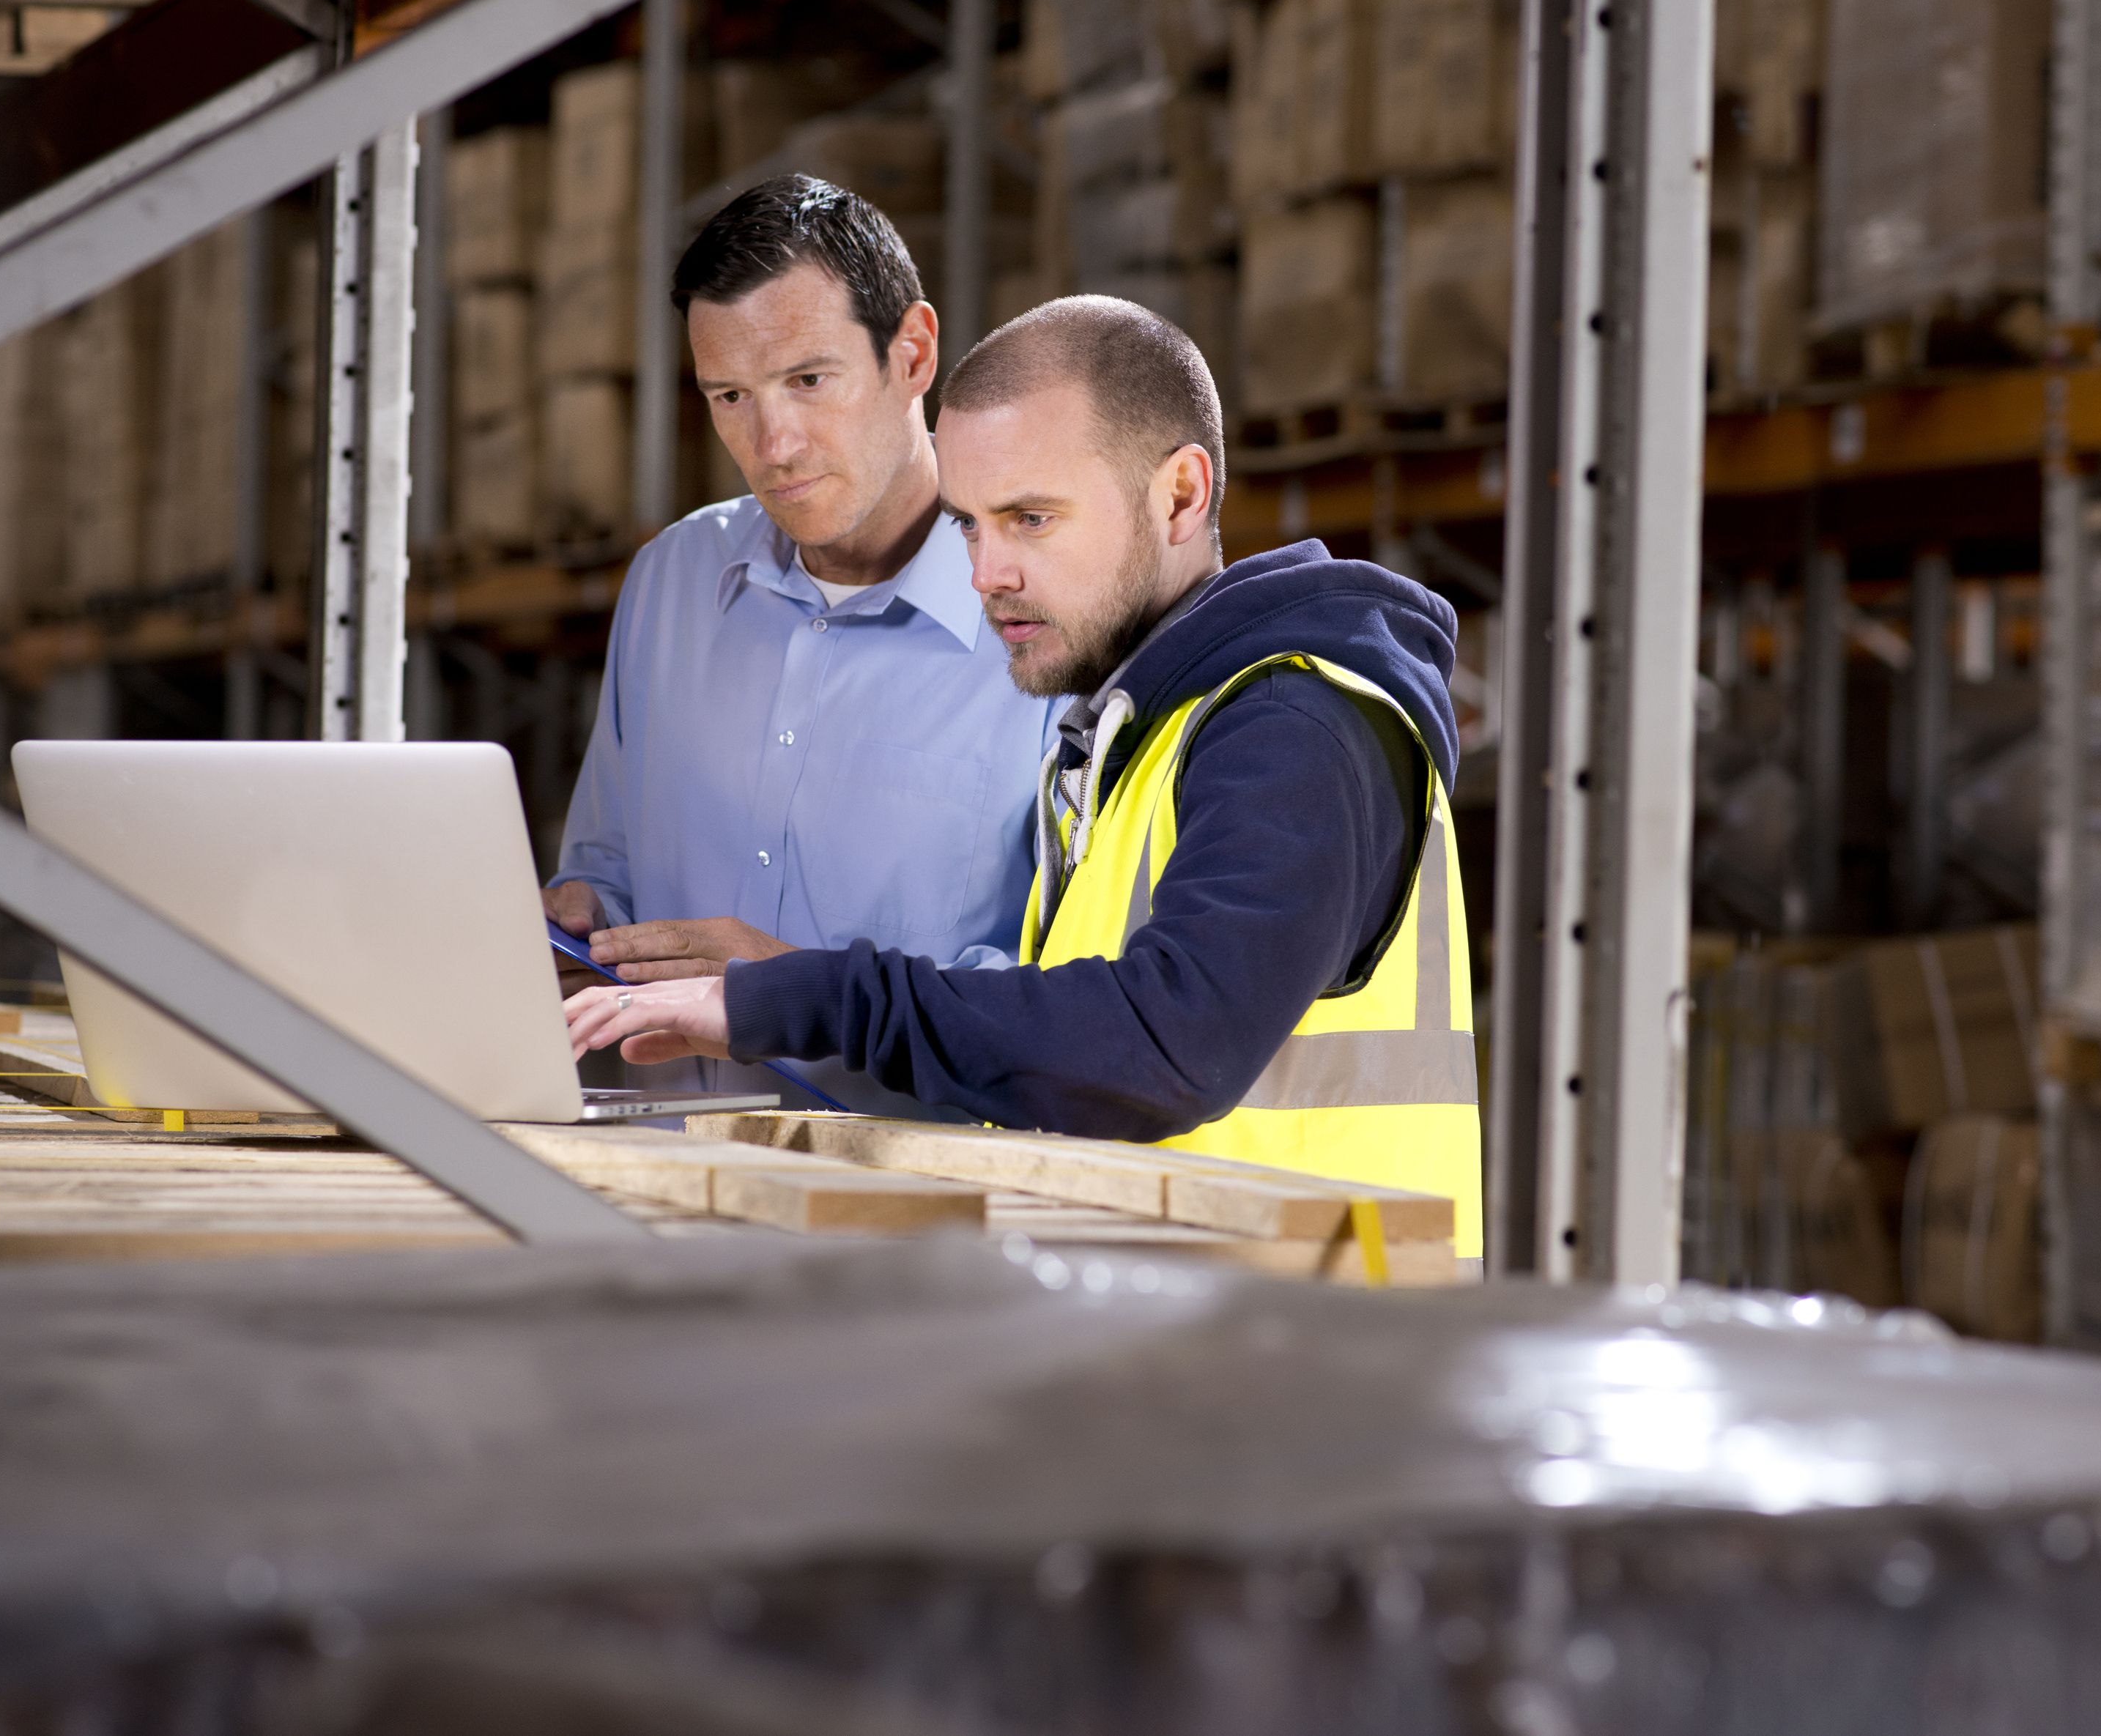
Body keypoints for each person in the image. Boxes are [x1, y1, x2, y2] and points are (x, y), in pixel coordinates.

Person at [566, 295, 1483, 1246]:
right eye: (968, 524)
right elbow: (1061, 1043)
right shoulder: (1134, 742)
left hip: (1324, 1353)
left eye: (1029, 519)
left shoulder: (1298, 728)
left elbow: (1166, 1044)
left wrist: (800, 996)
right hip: (1200, 1338)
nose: (984, 573)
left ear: (1179, 495)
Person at [545, 176, 1056, 1119]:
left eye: (808, 382)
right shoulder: (670, 585)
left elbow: (1069, 1002)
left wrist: (796, 988)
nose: (772, 442)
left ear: (913, 353)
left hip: (926, 1212)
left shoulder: (1046, 623)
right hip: (666, 1186)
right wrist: (579, 925)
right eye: (729, 395)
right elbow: (604, 870)